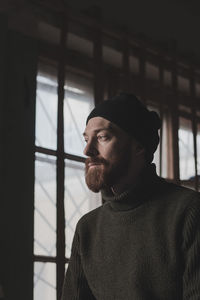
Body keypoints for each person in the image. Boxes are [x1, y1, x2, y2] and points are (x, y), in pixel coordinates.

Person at [61, 93, 200, 300]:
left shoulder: (190, 211)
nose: (87, 150)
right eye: (86, 138)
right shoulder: (87, 228)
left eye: (102, 137)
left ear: (139, 146)